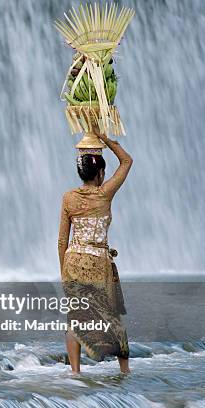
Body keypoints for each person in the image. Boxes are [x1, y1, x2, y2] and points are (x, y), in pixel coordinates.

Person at [58, 133, 133, 374]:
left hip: (72, 261)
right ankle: (124, 370)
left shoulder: (69, 197)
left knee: (74, 316)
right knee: (112, 315)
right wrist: (105, 138)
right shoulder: (104, 193)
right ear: (100, 173)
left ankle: (75, 373)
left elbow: (62, 240)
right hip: (97, 262)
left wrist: (63, 271)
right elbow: (127, 161)